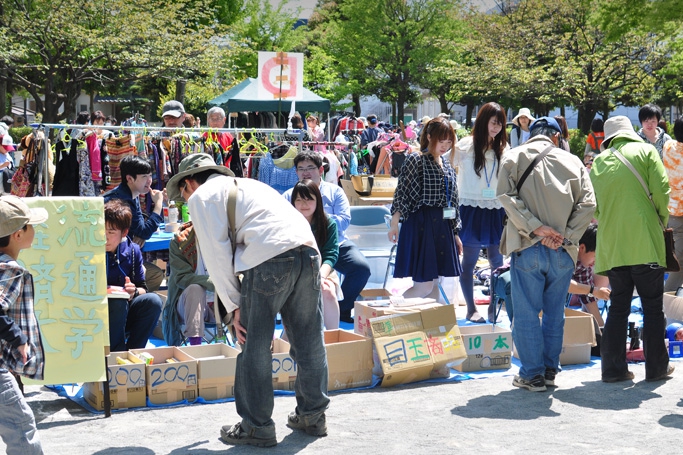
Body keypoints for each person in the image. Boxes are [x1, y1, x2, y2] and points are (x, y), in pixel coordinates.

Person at [167, 154, 329, 448]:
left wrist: (233, 306)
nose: (184, 199)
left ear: (190, 182)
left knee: (254, 344)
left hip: (268, 258)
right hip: (307, 251)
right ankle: (313, 415)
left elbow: (216, 258)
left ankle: (257, 426)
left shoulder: (201, 197)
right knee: (308, 339)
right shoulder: (250, 185)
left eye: (183, 191)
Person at [497, 116, 595, 392]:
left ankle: (532, 375)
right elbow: (588, 204)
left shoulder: (513, 157)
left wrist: (536, 228)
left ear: (531, 135)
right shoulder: (573, 161)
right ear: (556, 137)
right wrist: (565, 237)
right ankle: (550, 371)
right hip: (564, 250)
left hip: (528, 246)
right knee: (555, 312)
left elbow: (505, 197)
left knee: (527, 312)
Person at [591, 115, 674, 383]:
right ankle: (656, 369)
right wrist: (659, 220)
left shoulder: (599, 162)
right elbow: (662, 190)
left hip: (613, 246)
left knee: (617, 307)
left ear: (608, 137)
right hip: (645, 243)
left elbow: (594, 207)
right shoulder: (647, 150)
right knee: (652, 307)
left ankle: (613, 370)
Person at [283, 151, 371, 323]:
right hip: (300, 248)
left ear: (321, 169)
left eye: (310, 168)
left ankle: (343, 308)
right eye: (301, 169)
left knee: (361, 268)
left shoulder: (335, 192)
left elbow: (344, 221)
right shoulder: (288, 195)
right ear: (295, 172)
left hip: (335, 242)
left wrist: (319, 221)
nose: (305, 172)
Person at [388, 117, 463, 298]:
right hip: (421, 223)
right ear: (429, 137)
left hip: (442, 225)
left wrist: (455, 234)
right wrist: (394, 223)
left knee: (435, 284)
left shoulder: (446, 164)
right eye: (441, 141)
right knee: (424, 285)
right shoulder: (416, 159)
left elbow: (453, 201)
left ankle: (429, 325)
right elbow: (402, 192)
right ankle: (396, 313)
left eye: (448, 142)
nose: (444, 146)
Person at [450, 102, 508, 323]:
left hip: (495, 209)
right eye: (493, 123)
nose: (496, 128)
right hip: (470, 208)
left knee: (497, 261)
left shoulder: (504, 148)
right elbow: (445, 164)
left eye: (500, 124)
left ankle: (494, 306)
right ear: (483, 121)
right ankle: (471, 308)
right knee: (469, 261)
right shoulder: (465, 145)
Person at [0, 195, 47, 455]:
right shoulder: (9, 270)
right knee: (20, 426)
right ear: (18, 235)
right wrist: (18, 338)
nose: (34, 230)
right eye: (30, 225)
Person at [104, 200, 163, 352]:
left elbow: (143, 288)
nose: (105, 238)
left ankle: (134, 352)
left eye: (111, 232)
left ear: (124, 233)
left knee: (153, 301)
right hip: (96, 315)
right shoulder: (88, 250)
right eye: (101, 231)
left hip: (124, 312)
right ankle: (117, 352)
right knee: (116, 301)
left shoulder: (132, 250)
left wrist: (133, 291)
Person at [103, 155, 164, 291]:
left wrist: (140, 233)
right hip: (109, 261)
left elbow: (141, 230)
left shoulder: (132, 194)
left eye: (150, 175)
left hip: (122, 255)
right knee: (155, 275)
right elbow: (144, 231)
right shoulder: (122, 200)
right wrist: (159, 203)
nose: (149, 180)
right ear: (129, 179)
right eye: (144, 177)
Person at [162, 220, 226, 346]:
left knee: (248, 284)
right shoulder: (180, 241)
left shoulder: (227, 239)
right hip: (188, 306)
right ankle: (195, 348)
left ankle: (267, 343)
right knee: (195, 289)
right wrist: (214, 284)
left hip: (223, 305)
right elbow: (182, 278)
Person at [291, 179, 340, 330]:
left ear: (317, 201)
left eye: (309, 199)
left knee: (327, 292)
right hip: (293, 271)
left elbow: (331, 254)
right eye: (299, 200)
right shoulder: (287, 223)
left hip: (321, 269)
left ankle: (334, 336)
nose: (304, 204)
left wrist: (321, 276)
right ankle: (285, 343)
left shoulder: (328, 223)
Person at [566, 223, 610, 327]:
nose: (596, 262)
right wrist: (593, 291)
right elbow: (561, 283)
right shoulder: (563, 255)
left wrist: (601, 328)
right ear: (582, 247)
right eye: (595, 256)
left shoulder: (583, 264)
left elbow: (589, 299)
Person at [663, 117, 683, 292]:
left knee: (679, 259)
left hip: (673, 211)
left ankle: (667, 299)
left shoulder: (668, 147)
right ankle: (666, 300)